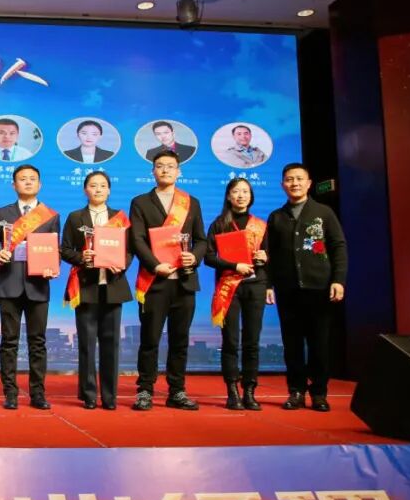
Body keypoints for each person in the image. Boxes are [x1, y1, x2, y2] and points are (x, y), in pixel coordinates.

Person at [129, 150, 207, 411]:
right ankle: (145, 390)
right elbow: (137, 240)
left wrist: (194, 257)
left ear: (178, 171)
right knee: (149, 339)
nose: (165, 170)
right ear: (153, 171)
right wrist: (155, 265)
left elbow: (201, 240)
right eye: (160, 166)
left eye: (170, 166)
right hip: (154, 281)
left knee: (180, 339)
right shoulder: (140, 202)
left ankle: (177, 391)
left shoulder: (191, 202)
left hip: (184, 281)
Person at [266, 163, 348, 412]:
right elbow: (269, 255)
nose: (295, 183)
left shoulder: (324, 213)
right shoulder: (276, 217)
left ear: (309, 183)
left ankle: (319, 393)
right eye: (289, 179)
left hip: (319, 288)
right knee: (291, 344)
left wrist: (338, 280)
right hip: (287, 290)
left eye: (299, 179)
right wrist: (269, 284)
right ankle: (296, 391)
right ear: (282, 185)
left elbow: (338, 247)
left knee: (319, 343)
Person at [0, 165, 60, 410]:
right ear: (13, 185)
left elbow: (55, 250)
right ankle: (10, 393)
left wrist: (53, 267)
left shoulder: (50, 215)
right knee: (9, 342)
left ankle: (38, 394)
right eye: (22, 179)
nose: (28, 182)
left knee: (38, 342)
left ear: (39, 184)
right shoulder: (2, 212)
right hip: (9, 283)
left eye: (32, 179)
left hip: (38, 285)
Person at [61, 171, 133, 410]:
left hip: (113, 285)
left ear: (109, 190)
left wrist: (121, 264)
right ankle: (89, 394)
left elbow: (130, 250)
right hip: (86, 286)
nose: (98, 189)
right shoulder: (75, 217)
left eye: (103, 185)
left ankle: (110, 396)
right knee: (87, 344)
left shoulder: (120, 218)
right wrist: (82, 257)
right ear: (85, 190)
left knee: (111, 344)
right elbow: (65, 249)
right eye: (93, 185)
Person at [204, 177, 268, 411]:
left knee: (252, 340)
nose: (241, 195)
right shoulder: (219, 224)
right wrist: (234, 265)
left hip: (256, 286)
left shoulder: (260, 225)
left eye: (245, 192)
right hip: (229, 286)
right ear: (228, 196)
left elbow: (270, 256)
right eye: (236, 191)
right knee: (230, 340)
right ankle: (232, 391)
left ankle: (250, 391)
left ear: (251, 196)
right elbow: (208, 257)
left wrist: (265, 257)